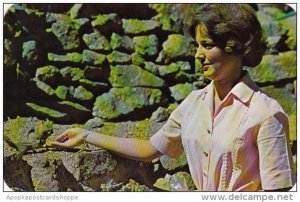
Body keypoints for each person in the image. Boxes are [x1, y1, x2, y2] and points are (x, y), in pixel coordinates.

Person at [51, 4, 296, 191]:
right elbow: (149, 148)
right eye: (197, 46)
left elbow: (280, 191)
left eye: (207, 45)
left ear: (235, 46)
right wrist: (85, 134)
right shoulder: (194, 103)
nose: (198, 55)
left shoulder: (265, 113)